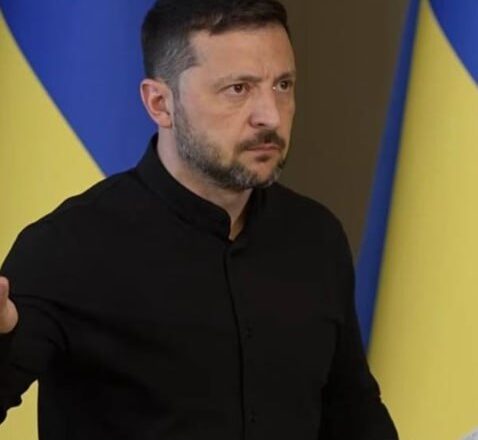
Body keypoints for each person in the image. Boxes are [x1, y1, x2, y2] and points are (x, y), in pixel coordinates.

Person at [0, 0, 398, 438]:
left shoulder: (316, 237)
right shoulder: (67, 247)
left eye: (283, 85)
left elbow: (353, 415)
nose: (270, 115)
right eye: (238, 89)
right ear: (160, 103)